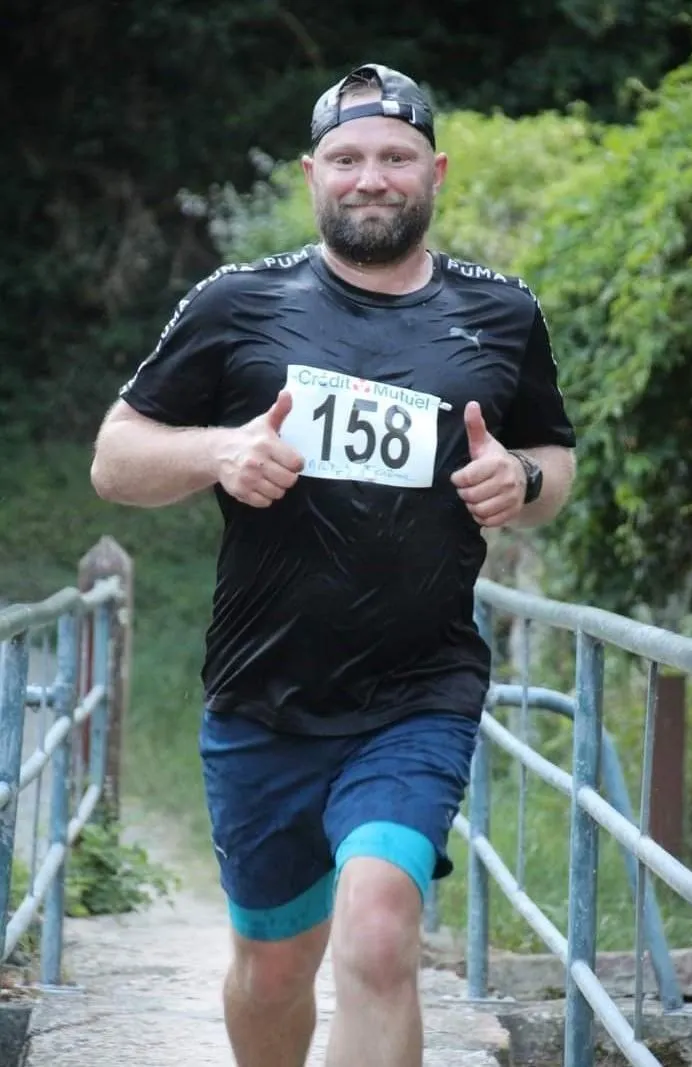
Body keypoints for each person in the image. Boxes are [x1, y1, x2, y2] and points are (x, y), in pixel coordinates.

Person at [91, 62, 576, 1067]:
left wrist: (520, 478)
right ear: (314, 174)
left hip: (419, 691)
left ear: (435, 171)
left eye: (396, 157)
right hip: (262, 694)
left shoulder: (502, 312)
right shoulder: (238, 302)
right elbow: (115, 457)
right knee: (273, 970)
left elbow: (552, 461)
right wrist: (219, 452)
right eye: (348, 159)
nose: (372, 178)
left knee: (379, 930)